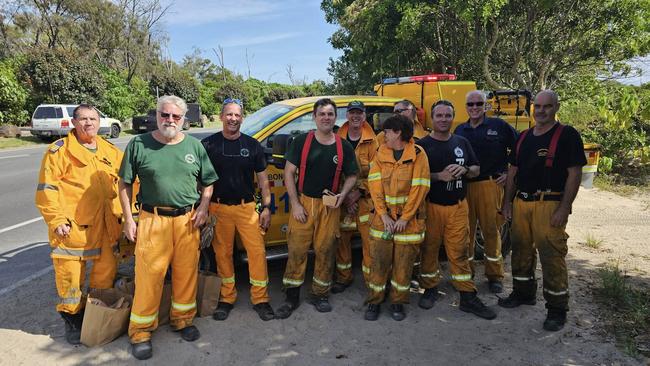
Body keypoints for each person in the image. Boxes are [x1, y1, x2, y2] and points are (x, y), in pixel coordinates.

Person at [118, 95, 218, 360]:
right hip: (152, 220)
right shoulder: (139, 144)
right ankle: (140, 331)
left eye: (176, 116)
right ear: (157, 115)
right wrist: (129, 219)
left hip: (187, 220)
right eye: (165, 115)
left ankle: (183, 320)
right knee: (149, 277)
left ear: (184, 119)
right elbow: (124, 184)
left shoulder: (195, 147)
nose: (170, 120)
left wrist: (204, 207)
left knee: (186, 273)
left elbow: (208, 182)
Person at [35, 104, 124, 345]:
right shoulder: (59, 152)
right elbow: (47, 189)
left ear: (99, 122)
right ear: (74, 123)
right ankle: (72, 318)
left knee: (104, 275)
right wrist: (56, 219)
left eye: (93, 119)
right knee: (70, 279)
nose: (88, 123)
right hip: (73, 228)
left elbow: (127, 184)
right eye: (83, 119)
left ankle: (95, 315)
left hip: (107, 227)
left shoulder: (110, 150)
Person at [499, 90, 586, 331]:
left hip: (549, 203)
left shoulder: (567, 135)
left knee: (551, 256)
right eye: (537, 106)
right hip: (521, 202)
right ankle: (523, 292)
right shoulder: (524, 137)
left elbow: (574, 173)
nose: (541, 111)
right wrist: (507, 203)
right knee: (520, 251)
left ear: (556, 107)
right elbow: (513, 172)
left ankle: (557, 309)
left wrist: (564, 207)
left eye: (547, 106)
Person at [276, 98, 358, 319]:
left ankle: (320, 294)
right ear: (314, 117)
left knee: (325, 250)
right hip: (304, 204)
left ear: (335, 118)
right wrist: (295, 204)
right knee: (297, 250)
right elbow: (288, 173)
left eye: (330, 114)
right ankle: (291, 297)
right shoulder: (302, 142)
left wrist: (344, 193)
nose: (326, 118)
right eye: (321, 114)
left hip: (330, 206)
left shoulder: (344, 146)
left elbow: (352, 175)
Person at [416, 100, 496, 320]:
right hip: (432, 207)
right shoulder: (422, 147)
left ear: (453, 117)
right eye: (439, 116)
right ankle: (430, 288)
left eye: (448, 115)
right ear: (432, 118)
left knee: (459, 251)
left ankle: (467, 296)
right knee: (430, 249)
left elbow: (476, 168)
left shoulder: (462, 142)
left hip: (458, 207)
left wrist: (465, 168)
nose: (443, 119)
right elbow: (415, 178)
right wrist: (437, 176)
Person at [201, 98, 275, 321]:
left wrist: (266, 208)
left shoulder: (252, 145)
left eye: (237, 115)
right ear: (222, 116)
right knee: (223, 255)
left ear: (242, 118)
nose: (233, 119)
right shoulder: (208, 145)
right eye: (229, 114)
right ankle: (227, 298)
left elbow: (263, 182)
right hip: (218, 209)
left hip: (246, 209)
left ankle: (260, 299)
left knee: (257, 253)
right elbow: (200, 180)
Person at [364, 114, 430, 321]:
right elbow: (374, 187)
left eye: (387, 132)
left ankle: (398, 303)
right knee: (379, 263)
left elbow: (419, 188)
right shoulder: (380, 153)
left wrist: (404, 218)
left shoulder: (418, 154)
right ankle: (375, 301)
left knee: (403, 266)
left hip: (407, 224)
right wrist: (384, 215)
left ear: (398, 132)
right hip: (383, 221)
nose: (383, 135)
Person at [454, 90, 518, 293]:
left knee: (491, 231)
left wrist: (509, 173)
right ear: (466, 107)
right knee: (466, 232)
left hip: (490, 185)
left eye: (478, 104)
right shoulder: (460, 130)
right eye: (470, 104)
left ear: (485, 106)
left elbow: (520, 148)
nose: (474, 107)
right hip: (465, 186)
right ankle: (467, 272)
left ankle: (494, 275)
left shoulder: (498, 126)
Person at [332, 101, 378, 293]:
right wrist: (346, 196)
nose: (355, 116)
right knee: (342, 241)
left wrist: (358, 192)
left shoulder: (373, 141)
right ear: (347, 115)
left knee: (370, 244)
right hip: (343, 200)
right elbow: (332, 172)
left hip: (366, 199)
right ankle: (344, 278)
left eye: (359, 112)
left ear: (364, 115)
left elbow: (378, 174)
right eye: (352, 112)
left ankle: (372, 283)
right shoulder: (335, 139)